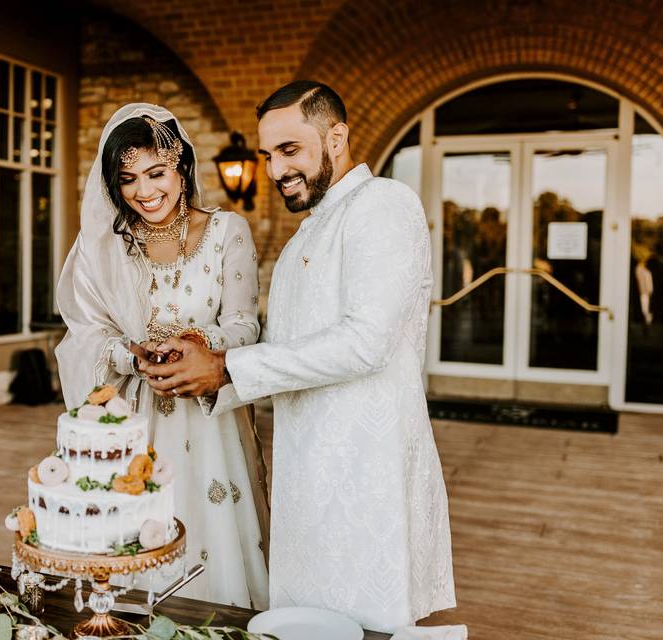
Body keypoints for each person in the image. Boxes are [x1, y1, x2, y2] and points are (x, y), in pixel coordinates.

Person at [140, 82, 456, 632]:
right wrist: (208, 365)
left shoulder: (383, 204)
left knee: (364, 626)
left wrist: (227, 368)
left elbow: (367, 342)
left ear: (337, 138)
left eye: (291, 150)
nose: (276, 168)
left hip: (365, 477)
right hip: (306, 479)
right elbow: (285, 353)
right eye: (268, 155)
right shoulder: (307, 235)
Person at [54, 103, 269, 609]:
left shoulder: (226, 232)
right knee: (134, 545)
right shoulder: (109, 247)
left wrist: (197, 348)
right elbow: (83, 333)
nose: (145, 191)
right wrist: (131, 355)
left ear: (182, 167)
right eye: (128, 180)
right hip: (134, 421)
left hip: (210, 421)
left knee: (210, 541)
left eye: (156, 173)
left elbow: (245, 328)